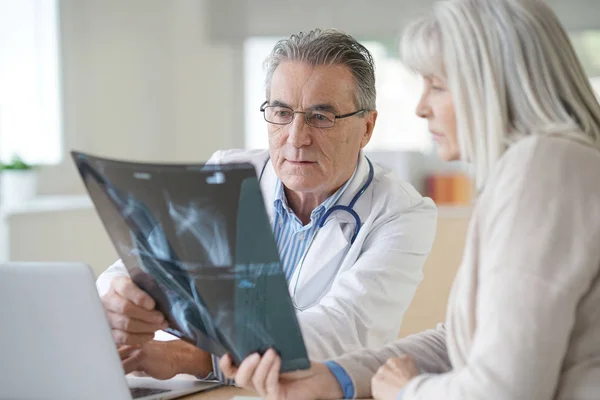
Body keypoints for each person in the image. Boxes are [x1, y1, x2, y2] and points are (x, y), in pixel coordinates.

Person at [220, 0, 600, 398]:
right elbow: (459, 344)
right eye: (281, 112)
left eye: (436, 86)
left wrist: (408, 391)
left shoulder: (543, 168)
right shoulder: (530, 170)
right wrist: (337, 377)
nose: (421, 107)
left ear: (490, 87)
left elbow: (505, 390)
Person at [96, 29, 438, 381]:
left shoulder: (402, 214)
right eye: (281, 112)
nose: (296, 138)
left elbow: (344, 330)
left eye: (321, 117)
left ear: (367, 127)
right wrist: (120, 299)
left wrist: (196, 358)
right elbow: (134, 267)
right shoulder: (227, 173)